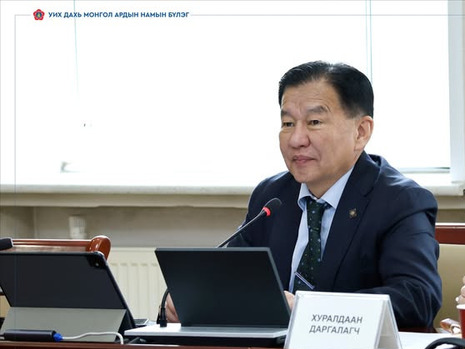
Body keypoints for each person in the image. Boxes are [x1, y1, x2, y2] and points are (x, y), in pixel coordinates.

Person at [167, 60, 442, 330]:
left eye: (314, 122)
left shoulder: (400, 201)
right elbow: (233, 279)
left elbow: (418, 297)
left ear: (361, 132)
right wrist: (193, 298)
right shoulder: (272, 196)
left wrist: (309, 309)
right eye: (288, 123)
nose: (296, 139)